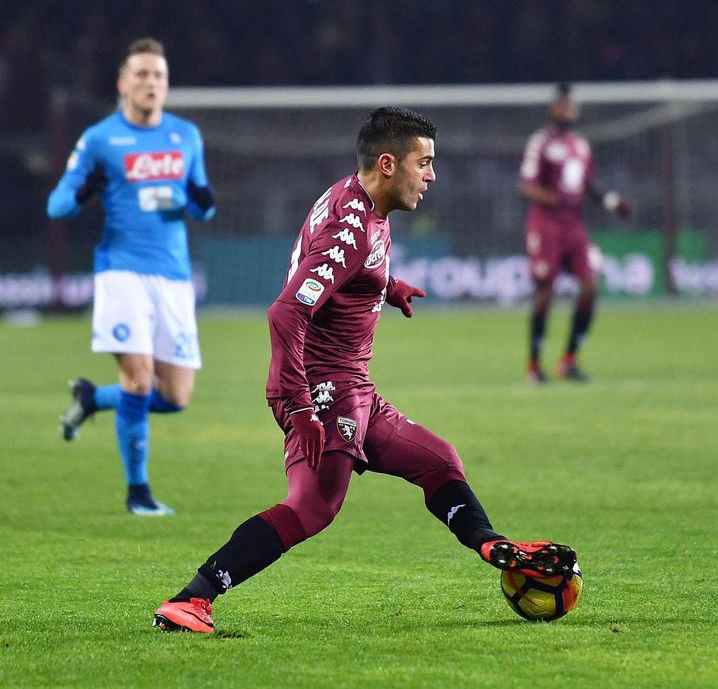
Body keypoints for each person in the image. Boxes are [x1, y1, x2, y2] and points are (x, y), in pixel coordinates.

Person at [152, 108, 576, 634]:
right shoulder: (351, 230)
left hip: (352, 388)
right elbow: (287, 310)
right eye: (424, 163)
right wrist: (299, 407)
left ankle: (492, 544)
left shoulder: (357, 199)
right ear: (388, 163)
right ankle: (193, 599)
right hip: (325, 390)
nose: (432, 175)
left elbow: (342, 263)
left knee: (439, 459)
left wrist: (385, 284)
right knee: (312, 506)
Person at [49, 38, 216, 516]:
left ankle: (93, 398)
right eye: (141, 74)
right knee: (140, 382)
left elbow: (202, 206)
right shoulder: (100, 139)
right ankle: (137, 492)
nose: (151, 83)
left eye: (158, 75)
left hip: (174, 277)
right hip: (121, 271)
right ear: (123, 83)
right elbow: (56, 206)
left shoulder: (186, 136)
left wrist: (201, 203)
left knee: (175, 395)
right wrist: (85, 191)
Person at [520, 82, 629, 383]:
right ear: (554, 108)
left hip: (573, 226)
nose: (569, 110)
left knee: (590, 285)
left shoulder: (580, 145)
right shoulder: (540, 143)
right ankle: (534, 366)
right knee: (545, 290)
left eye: (572, 106)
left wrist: (611, 201)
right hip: (546, 225)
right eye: (563, 105)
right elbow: (526, 185)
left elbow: (587, 185)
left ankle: (569, 360)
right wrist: (553, 198)